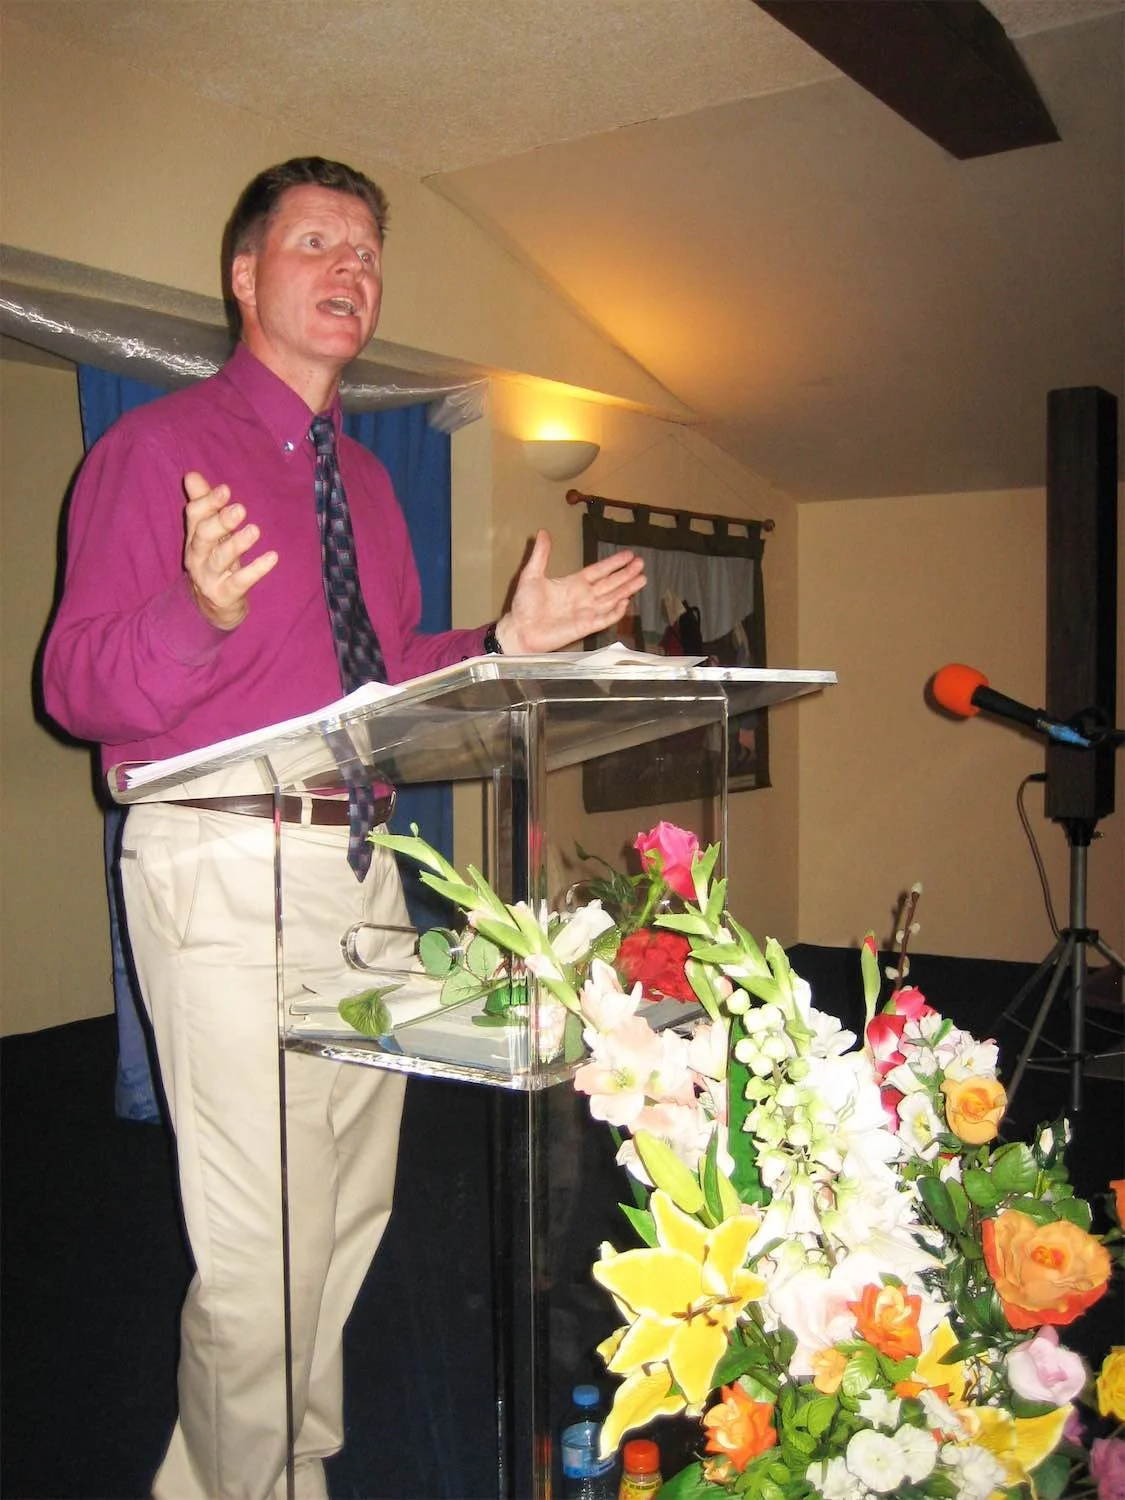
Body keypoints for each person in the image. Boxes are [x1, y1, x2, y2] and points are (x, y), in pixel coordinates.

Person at [42, 155, 644, 1500]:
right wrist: (191, 613)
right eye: (317, 244)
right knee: (257, 1255)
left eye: (368, 253)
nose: (351, 273)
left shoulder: (369, 486)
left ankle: (272, 1469)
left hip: (363, 867)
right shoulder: (154, 453)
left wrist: (501, 642)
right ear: (245, 275)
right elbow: (76, 688)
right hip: (218, 856)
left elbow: (372, 686)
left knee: (345, 1215)